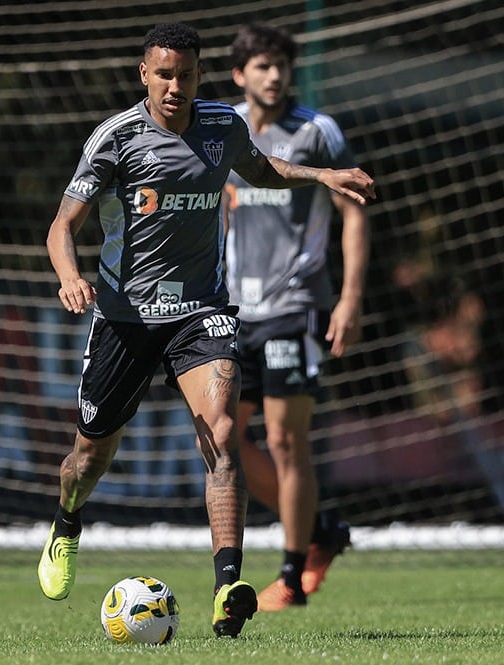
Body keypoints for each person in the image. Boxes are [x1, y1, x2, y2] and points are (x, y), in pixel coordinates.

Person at [36, 22, 375, 638]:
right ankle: (66, 522)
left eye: (185, 75)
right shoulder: (116, 139)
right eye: (163, 75)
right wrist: (70, 276)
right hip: (125, 317)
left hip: (201, 311)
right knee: (88, 458)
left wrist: (321, 176)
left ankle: (227, 587)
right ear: (144, 74)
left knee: (221, 431)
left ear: (198, 75)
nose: (175, 86)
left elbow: (260, 168)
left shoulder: (220, 125)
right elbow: (63, 225)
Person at [222, 23, 369, 611]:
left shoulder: (316, 130)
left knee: (286, 441)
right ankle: (318, 531)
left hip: (296, 306)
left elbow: (354, 209)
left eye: (281, 64)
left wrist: (350, 297)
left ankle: (290, 574)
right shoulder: (223, 130)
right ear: (240, 74)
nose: (274, 74)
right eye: (262, 64)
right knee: (219, 438)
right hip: (232, 310)